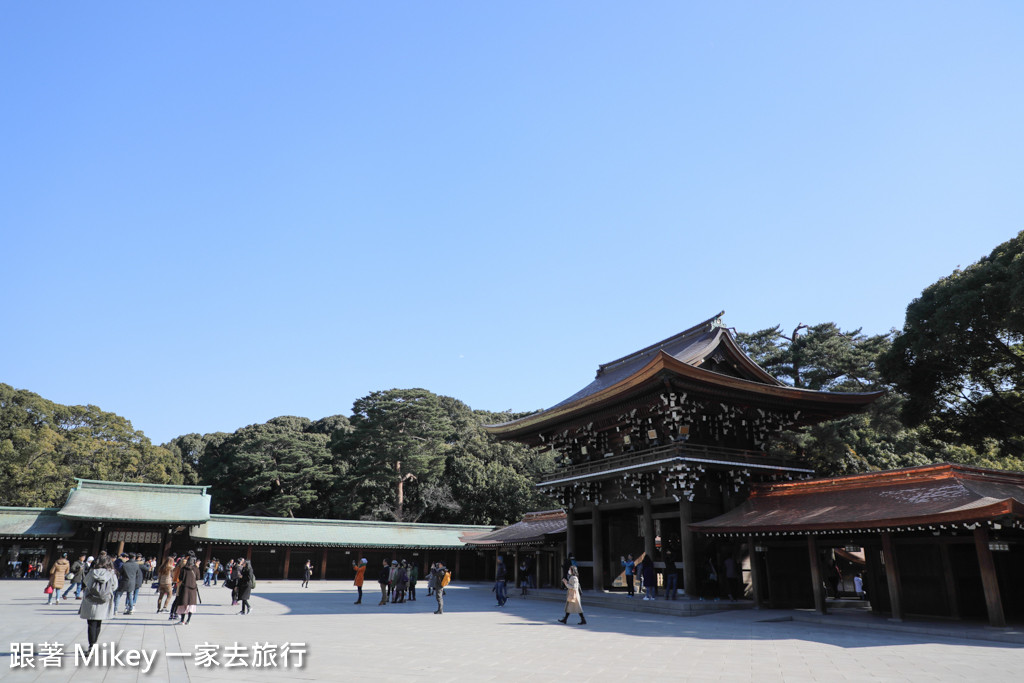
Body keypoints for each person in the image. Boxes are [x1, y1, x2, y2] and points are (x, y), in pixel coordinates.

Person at [78, 552, 117, 654]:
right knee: (98, 622)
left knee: (91, 623)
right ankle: (94, 643)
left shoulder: (92, 572)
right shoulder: (111, 573)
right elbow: (115, 586)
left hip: (91, 599)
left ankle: (91, 645)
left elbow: (86, 582)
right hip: (103, 600)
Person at [175, 555, 201, 624]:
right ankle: (188, 620)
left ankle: (182, 620)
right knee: (191, 604)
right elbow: (198, 578)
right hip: (193, 588)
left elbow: (180, 578)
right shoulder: (196, 569)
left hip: (185, 588)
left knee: (183, 603)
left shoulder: (183, 569)